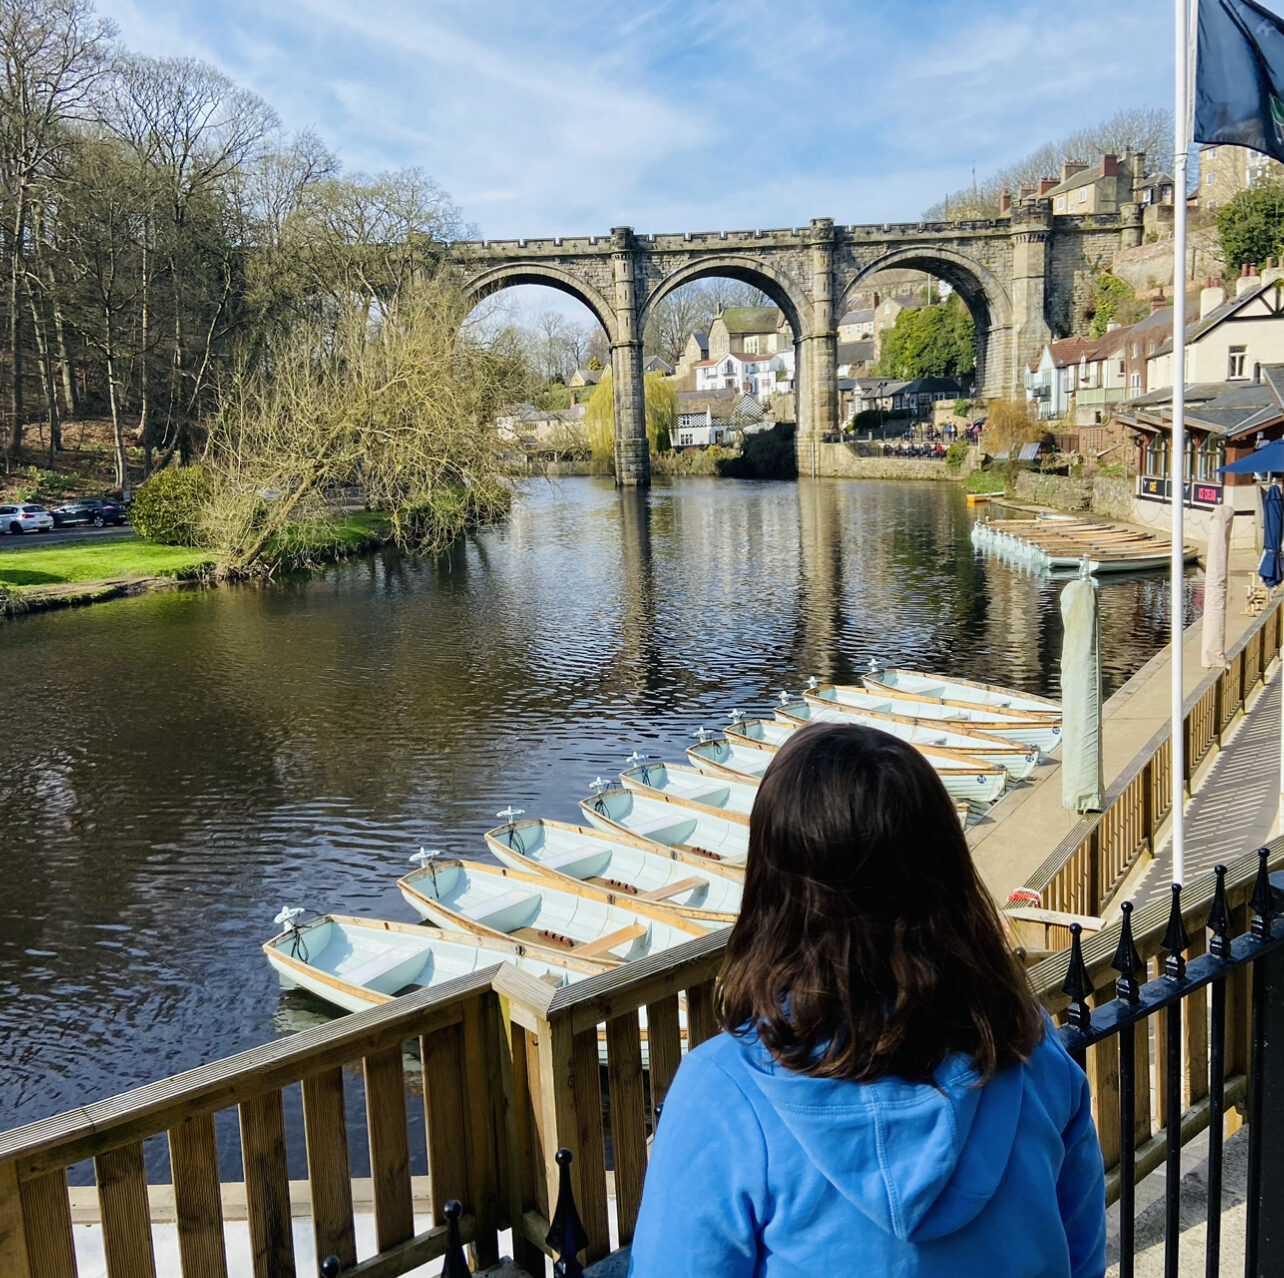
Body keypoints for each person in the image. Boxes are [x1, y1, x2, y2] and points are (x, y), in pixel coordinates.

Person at [628, 723, 1105, 1278]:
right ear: (947, 874)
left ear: (772, 888)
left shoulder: (722, 1092)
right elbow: (1081, 1258)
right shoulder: (1031, 1051)